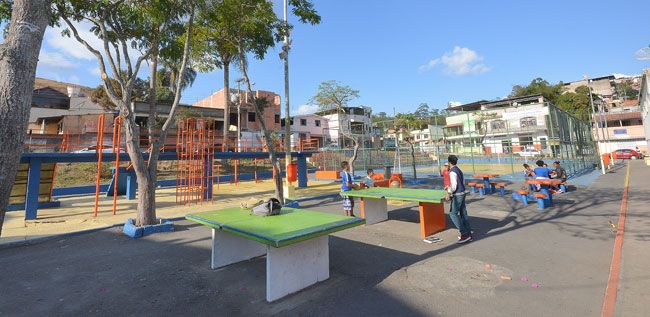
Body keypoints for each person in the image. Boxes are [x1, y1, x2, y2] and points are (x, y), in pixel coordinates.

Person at [446, 155, 473, 244]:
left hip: (457, 195)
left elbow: (454, 185)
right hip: (463, 193)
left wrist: (449, 192)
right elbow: (462, 182)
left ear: (449, 163)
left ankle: (464, 234)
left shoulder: (452, 172)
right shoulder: (458, 170)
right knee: (463, 213)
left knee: (453, 214)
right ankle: (468, 233)